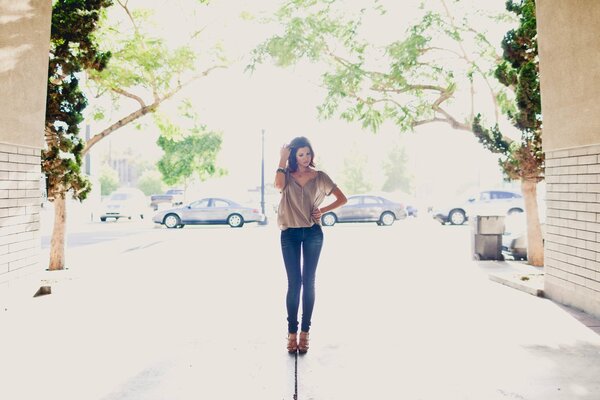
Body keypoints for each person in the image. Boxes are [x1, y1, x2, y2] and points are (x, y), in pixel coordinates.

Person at [274, 136, 347, 354]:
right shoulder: (285, 176)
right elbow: (278, 186)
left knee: (309, 282)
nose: (305, 158)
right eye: (300, 154)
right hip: (289, 234)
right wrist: (281, 159)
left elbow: (342, 198)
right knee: (294, 283)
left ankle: (305, 333)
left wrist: (322, 210)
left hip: (313, 233)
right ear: (293, 156)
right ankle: (291, 334)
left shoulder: (319, 176)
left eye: (308, 154)